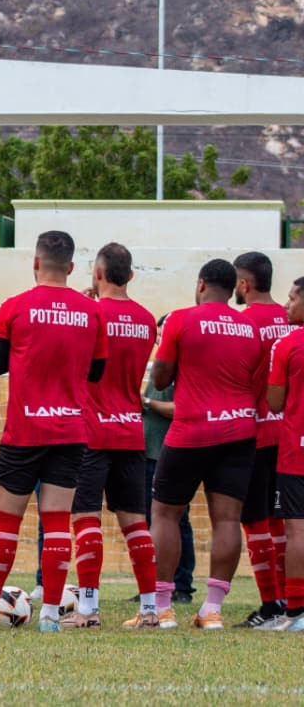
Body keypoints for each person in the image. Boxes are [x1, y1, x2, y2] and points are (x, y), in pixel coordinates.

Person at [0, 230, 107, 633]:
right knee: (58, 522)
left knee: (6, 523)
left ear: (36, 263)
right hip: (71, 430)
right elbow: (97, 371)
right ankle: (49, 617)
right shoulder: (92, 312)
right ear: (72, 267)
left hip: (26, 430)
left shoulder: (16, 307)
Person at [151, 258, 260, 630]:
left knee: (165, 514)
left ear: (201, 285)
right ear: (234, 290)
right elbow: (256, 382)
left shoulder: (181, 319)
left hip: (192, 430)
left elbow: (161, 378)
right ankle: (212, 609)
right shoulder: (250, 326)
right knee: (227, 520)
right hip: (240, 431)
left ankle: (163, 608)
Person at [68, 243, 159, 629]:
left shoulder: (89, 313)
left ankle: (88, 610)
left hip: (92, 428)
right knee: (136, 523)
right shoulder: (147, 319)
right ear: (131, 276)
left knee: (85, 519)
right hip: (131, 430)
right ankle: (151, 609)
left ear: (98, 273)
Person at [233, 251, 295, 628]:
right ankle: (289, 600)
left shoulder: (244, 324)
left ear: (244, 283)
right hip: (288, 434)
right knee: (283, 523)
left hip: (254, 433)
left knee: (254, 521)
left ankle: (271, 604)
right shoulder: (290, 321)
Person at [264, 275, 304, 630]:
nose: (286, 305)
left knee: (297, 531)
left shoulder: (287, 344)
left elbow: (274, 401)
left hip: (296, 450)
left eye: (292, 299)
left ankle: (295, 612)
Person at [142, 376, 194, 604]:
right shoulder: (158, 369)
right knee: (151, 521)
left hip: (172, 455)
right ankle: (154, 584)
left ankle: (181, 586)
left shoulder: (183, 372)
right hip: (148, 454)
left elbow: (179, 410)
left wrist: (146, 402)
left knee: (177, 521)